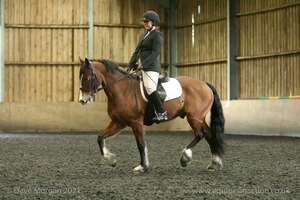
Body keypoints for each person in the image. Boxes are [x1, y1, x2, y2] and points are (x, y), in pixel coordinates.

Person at [128, 10, 167, 122]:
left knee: (150, 88)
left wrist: (143, 65)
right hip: (142, 67)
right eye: (144, 22)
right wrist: (130, 65)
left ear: (153, 22)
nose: (145, 23)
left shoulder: (157, 35)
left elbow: (155, 53)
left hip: (152, 67)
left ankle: (161, 112)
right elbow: (137, 51)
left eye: (147, 21)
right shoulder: (143, 35)